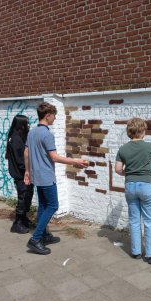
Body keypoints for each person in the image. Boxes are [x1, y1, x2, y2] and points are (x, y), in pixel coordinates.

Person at [24, 102, 88, 255]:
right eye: (54, 115)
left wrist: (27, 171)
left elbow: (26, 153)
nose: (55, 118)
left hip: (37, 176)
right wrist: (75, 161)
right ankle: (36, 238)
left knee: (43, 206)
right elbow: (54, 157)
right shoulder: (47, 134)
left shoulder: (31, 133)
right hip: (46, 176)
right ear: (48, 115)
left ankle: (44, 235)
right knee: (53, 206)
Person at [115, 118, 151, 264]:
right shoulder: (148, 146)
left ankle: (136, 252)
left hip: (130, 187)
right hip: (147, 186)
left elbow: (118, 170)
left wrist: (128, 174)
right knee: (150, 220)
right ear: (142, 131)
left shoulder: (122, 149)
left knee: (134, 220)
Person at [5, 114, 34, 234]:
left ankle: (23, 219)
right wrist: (27, 171)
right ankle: (17, 223)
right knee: (23, 197)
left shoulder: (18, 136)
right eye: (26, 123)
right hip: (21, 174)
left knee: (28, 195)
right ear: (21, 125)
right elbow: (20, 160)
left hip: (24, 173)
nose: (28, 126)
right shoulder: (16, 139)